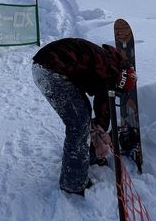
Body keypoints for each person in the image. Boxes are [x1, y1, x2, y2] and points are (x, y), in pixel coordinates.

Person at [32, 38, 136, 196]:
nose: (116, 93)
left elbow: (101, 106)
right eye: (118, 90)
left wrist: (99, 130)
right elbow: (103, 104)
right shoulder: (109, 71)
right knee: (78, 123)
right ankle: (72, 183)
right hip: (50, 70)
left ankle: (85, 157)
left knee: (82, 114)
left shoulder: (109, 65)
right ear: (119, 81)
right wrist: (103, 133)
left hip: (47, 68)